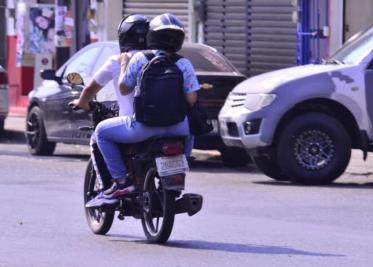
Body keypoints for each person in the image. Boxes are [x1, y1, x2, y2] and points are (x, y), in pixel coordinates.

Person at [93, 13, 200, 201]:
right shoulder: (184, 63)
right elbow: (191, 100)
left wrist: (124, 65)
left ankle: (122, 182)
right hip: (178, 127)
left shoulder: (141, 59)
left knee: (101, 132)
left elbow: (124, 89)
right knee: (190, 130)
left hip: (143, 127)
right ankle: (182, 166)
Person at [69, 14, 149, 204]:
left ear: (123, 37)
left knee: (100, 135)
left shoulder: (118, 61)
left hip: (133, 124)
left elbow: (90, 88)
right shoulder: (159, 59)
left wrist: (81, 102)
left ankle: (118, 183)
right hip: (166, 122)